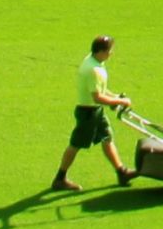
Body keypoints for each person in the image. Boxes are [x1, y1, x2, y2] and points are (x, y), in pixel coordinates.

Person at [52, 35, 132, 192]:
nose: (111, 53)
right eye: (110, 51)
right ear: (101, 51)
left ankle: (121, 172)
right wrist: (120, 102)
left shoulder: (94, 61)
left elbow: (99, 90)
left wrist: (114, 97)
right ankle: (60, 179)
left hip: (95, 111)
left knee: (107, 138)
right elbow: (97, 97)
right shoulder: (93, 70)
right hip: (88, 113)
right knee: (75, 145)